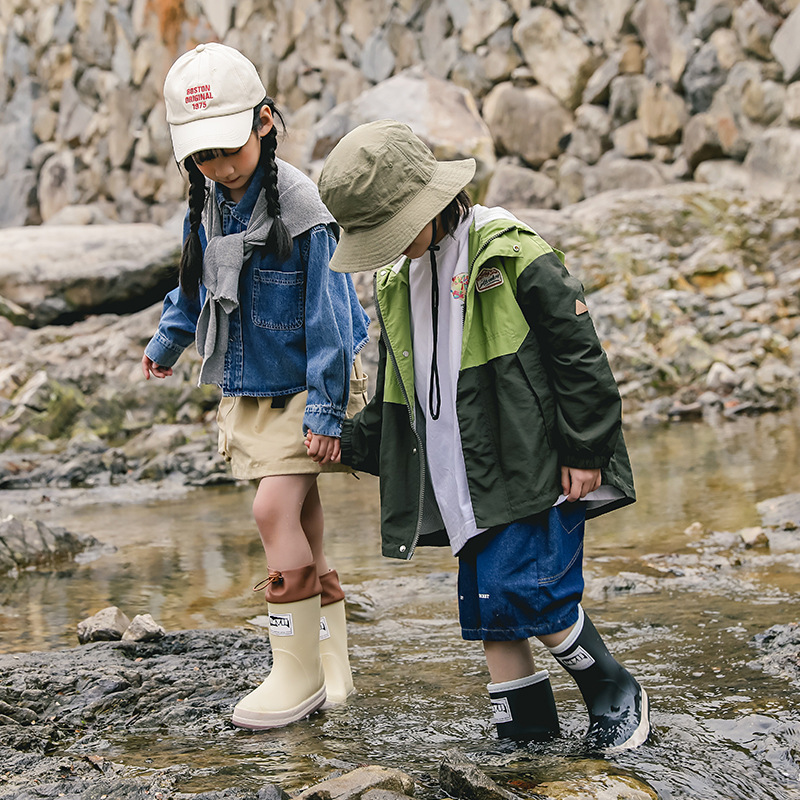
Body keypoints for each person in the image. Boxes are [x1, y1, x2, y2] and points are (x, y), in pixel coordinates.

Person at [310, 119, 649, 752]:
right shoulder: (394, 282)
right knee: (491, 607)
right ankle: (525, 738)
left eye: (388, 231)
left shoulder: (509, 250)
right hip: (458, 476)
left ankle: (612, 685)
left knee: (530, 587)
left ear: (430, 204)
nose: (384, 249)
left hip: (530, 463)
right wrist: (345, 443)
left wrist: (586, 448)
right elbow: (396, 398)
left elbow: (579, 356)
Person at [141, 43, 370, 730]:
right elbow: (194, 284)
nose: (218, 166)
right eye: (203, 156)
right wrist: (168, 343)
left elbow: (330, 316)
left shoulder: (300, 206)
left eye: (228, 150)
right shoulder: (209, 202)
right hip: (255, 387)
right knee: (302, 525)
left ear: (265, 122)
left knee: (272, 513)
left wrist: (327, 412)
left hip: (308, 384)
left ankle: (292, 674)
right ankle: (333, 666)